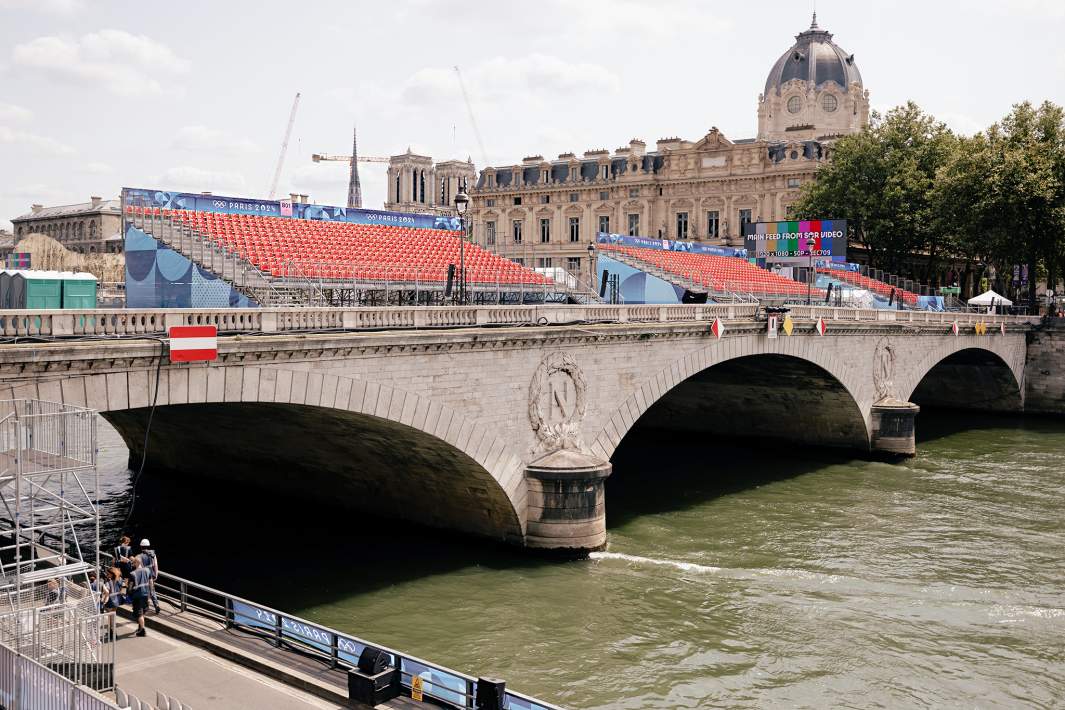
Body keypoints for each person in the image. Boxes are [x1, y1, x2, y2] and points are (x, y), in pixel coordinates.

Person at [128, 557, 152, 637]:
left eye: (133, 563)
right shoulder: (148, 570)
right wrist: (150, 596)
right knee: (143, 612)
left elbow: (130, 587)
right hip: (146, 594)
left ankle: (142, 630)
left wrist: (129, 594)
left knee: (139, 613)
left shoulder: (132, 574)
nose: (133, 565)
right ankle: (140, 626)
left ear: (136, 563)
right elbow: (151, 583)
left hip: (137, 596)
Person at [138, 538, 160, 614]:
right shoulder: (153, 554)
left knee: (144, 591)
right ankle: (156, 604)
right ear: (148, 545)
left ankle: (146, 607)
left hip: (144, 575)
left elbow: (140, 568)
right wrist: (156, 574)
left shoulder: (140, 556)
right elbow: (156, 565)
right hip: (152, 574)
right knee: (152, 590)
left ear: (141, 547)